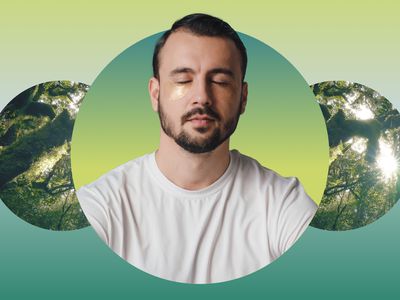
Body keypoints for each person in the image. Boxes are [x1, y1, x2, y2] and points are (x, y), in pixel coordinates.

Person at [77, 13, 317, 284]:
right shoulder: (103, 204)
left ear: (243, 98)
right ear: (155, 94)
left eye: (220, 82)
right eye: (183, 80)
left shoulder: (282, 203)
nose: (201, 96)